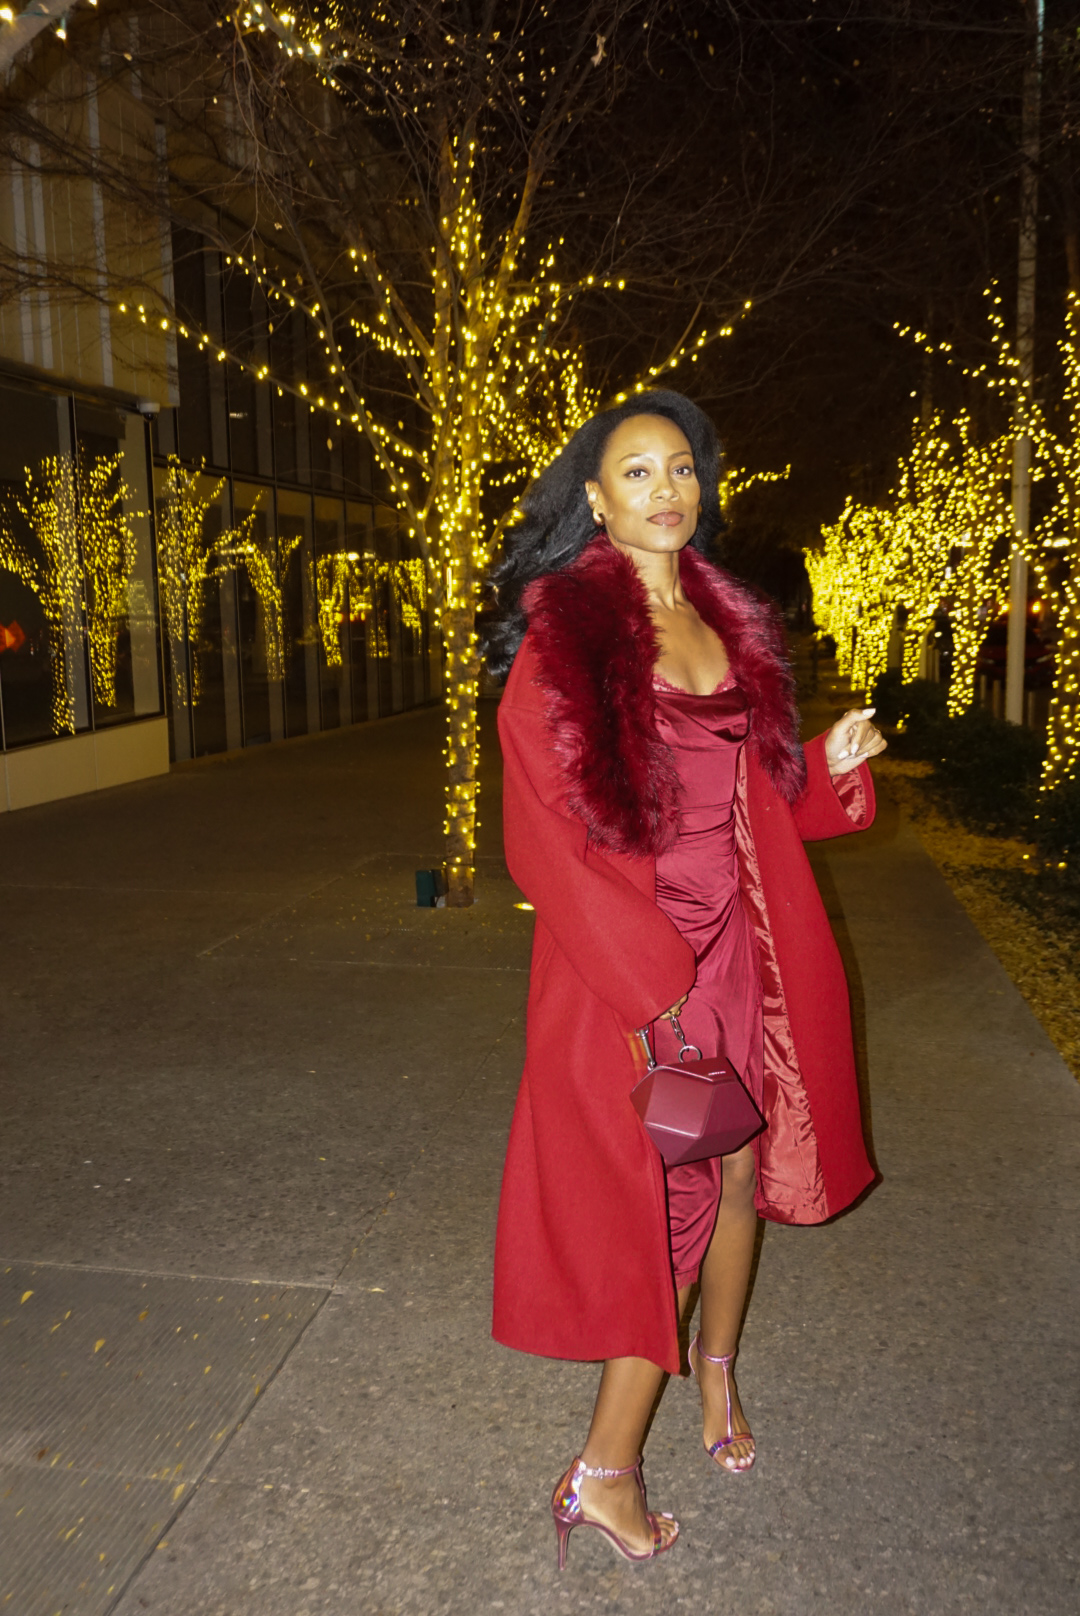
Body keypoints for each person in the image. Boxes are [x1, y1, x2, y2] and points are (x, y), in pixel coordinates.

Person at [483, 390, 885, 1568]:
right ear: (596, 500)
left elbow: (756, 800)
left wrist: (827, 764)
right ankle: (603, 1468)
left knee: (744, 1166)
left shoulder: (723, 618)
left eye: (681, 469)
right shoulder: (570, 639)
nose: (667, 489)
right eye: (637, 472)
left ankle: (716, 1371)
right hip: (638, 962)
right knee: (667, 1201)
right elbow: (542, 842)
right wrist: (651, 988)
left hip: (742, 947)